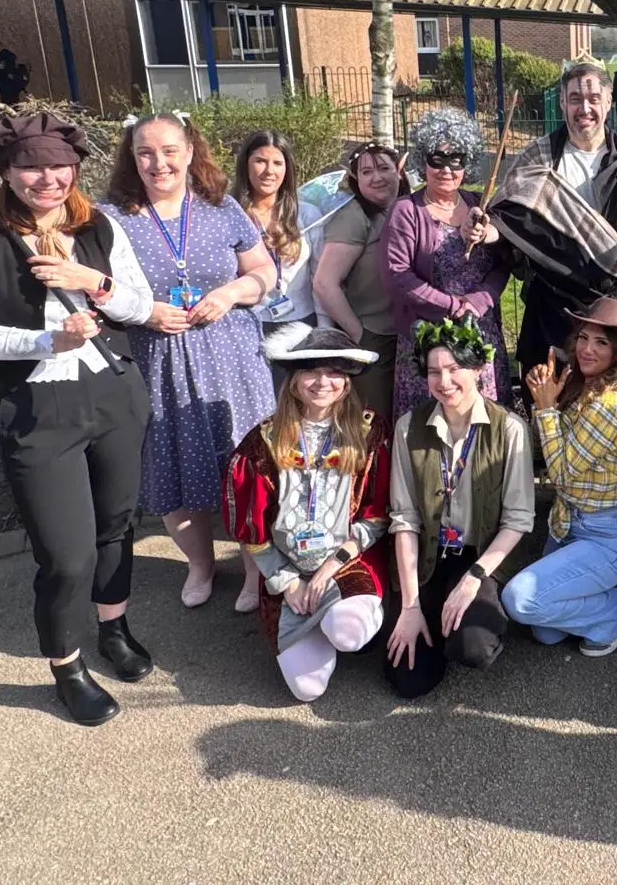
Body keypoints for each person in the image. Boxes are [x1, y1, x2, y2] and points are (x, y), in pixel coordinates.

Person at [0, 113, 154, 726]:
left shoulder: (99, 226)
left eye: (59, 166)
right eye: (31, 167)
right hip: (39, 407)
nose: (48, 178)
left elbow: (139, 305)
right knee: (66, 555)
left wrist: (93, 283)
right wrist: (47, 341)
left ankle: (114, 628)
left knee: (115, 525)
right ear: (6, 172)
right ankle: (68, 664)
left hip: (114, 392)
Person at [102, 113, 278, 613]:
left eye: (169, 151)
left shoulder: (221, 208)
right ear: (132, 157)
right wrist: (144, 311)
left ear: (189, 151)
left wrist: (231, 292)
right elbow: (93, 288)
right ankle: (200, 564)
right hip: (157, 361)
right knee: (173, 468)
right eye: (145, 153)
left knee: (246, 470)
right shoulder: (110, 218)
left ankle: (254, 569)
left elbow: (264, 270)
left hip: (232, 359)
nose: (158, 163)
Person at [224, 329, 392, 702]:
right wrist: (289, 584)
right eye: (310, 371)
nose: (322, 382)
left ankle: (335, 619)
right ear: (294, 380)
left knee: (350, 634)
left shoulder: (369, 431)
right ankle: (315, 622)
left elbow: (376, 516)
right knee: (306, 690)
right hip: (287, 569)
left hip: (346, 564)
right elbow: (253, 532)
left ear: (347, 381)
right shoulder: (263, 442)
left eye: (334, 372)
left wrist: (330, 567)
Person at [384, 315, 535, 698]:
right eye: (434, 371)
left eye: (454, 369)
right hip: (428, 554)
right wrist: (410, 607)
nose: (445, 381)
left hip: (479, 554)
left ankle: (467, 619)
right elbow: (404, 520)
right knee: (409, 679)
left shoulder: (509, 429)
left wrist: (474, 579)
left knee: (473, 647)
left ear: (478, 368)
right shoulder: (408, 427)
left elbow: (518, 519)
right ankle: (433, 616)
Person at [489, 57, 617, 373]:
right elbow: (507, 219)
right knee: (548, 394)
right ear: (562, 101)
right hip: (551, 304)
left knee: (613, 395)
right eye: (575, 98)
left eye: (593, 98)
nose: (584, 108)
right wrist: (488, 231)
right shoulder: (538, 157)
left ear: (609, 102)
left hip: (610, 305)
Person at [501, 297, 617, 656]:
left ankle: (616, 609)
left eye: (601, 342)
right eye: (583, 337)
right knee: (545, 632)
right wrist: (548, 398)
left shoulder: (610, 404)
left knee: (519, 600)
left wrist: (545, 408)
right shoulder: (584, 384)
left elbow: (563, 474)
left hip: (608, 536)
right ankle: (595, 592)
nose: (587, 349)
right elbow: (552, 450)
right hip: (567, 523)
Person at [385, 106, 509, 417]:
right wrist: (452, 307)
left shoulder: (479, 204)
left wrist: (478, 302)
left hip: (478, 329)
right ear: (422, 161)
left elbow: (503, 263)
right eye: (436, 159)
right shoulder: (406, 211)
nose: (446, 169)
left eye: (456, 159)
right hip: (428, 338)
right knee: (430, 424)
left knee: (483, 424)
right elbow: (397, 275)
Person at [313, 140, 407, 420]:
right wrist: (359, 335)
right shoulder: (353, 217)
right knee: (377, 423)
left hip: (406, 334)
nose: (377, 177)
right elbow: (324, 283)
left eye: (384, 168)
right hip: (375, 338)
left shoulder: (405, 207)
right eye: (366, 172)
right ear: (355, 178)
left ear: (399, 170)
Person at [233, 131, 316, 378]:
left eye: (277, 163)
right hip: (246, 326)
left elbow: (320, 277)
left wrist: (323, 330)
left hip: (300, 327)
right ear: (245, 165)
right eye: (260, 161)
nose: (269, 171)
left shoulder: (308, 215)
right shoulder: (228, 214)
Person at [0, 37, 28, 105]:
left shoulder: (6, 55)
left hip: (9, 87)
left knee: (11, 105)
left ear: (0, 44)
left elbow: (8, 70)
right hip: (5, 88)